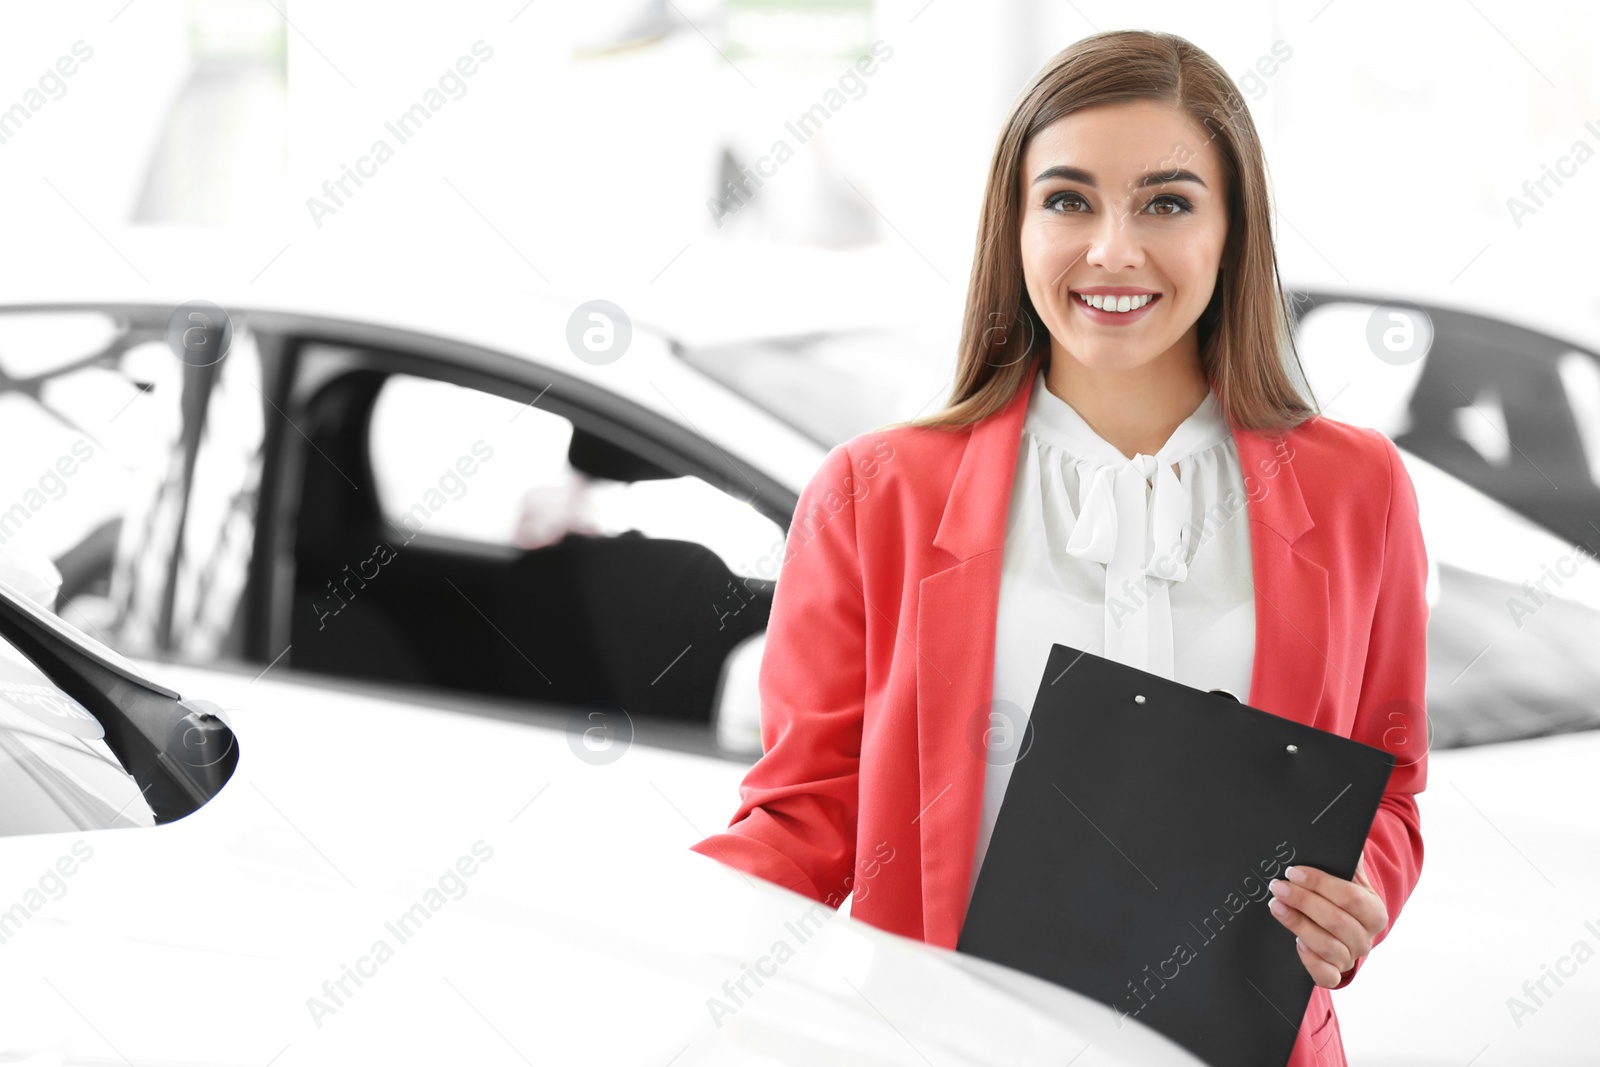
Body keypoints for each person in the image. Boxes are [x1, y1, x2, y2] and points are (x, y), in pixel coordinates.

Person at [689, 29, 1426, 1067]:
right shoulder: (875, 492)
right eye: (1068, 200)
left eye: (1166, 202)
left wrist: (1363, 898)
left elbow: (1387, 785)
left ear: (1232, 230)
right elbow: (804, 809)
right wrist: (666, 947)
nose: (1112, 250)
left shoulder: (1356, 489)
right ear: (1015, 225)